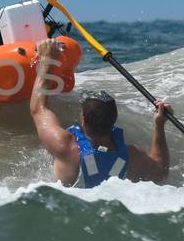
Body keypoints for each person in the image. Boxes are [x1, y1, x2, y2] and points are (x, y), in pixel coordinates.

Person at [30, 37, 171, 185]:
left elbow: (38, 109)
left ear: (83, 119)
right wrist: (159, 125)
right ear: (113, 122)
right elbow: (161, 173)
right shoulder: (132, 155)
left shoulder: (66, 146)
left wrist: (47, 59)